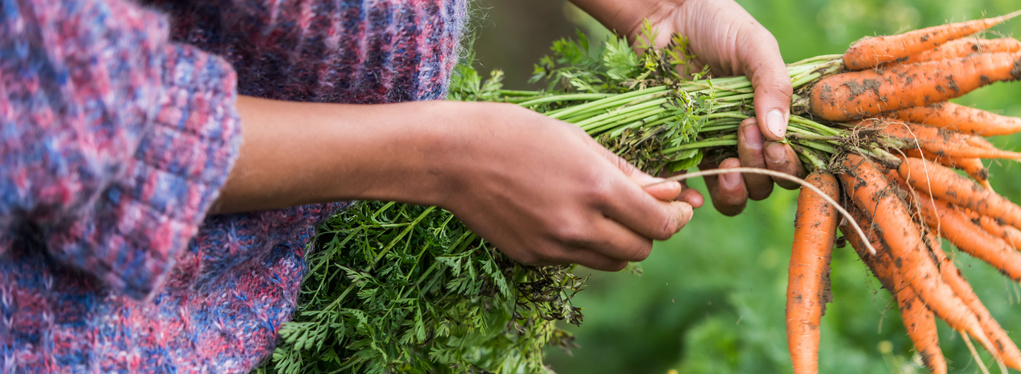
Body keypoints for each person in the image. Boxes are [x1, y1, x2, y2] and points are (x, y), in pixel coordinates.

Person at [0, 0, 802, 371]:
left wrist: (658, 8)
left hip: (316, 273)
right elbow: (44, 118)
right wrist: (440, 159)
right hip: (89, 334)